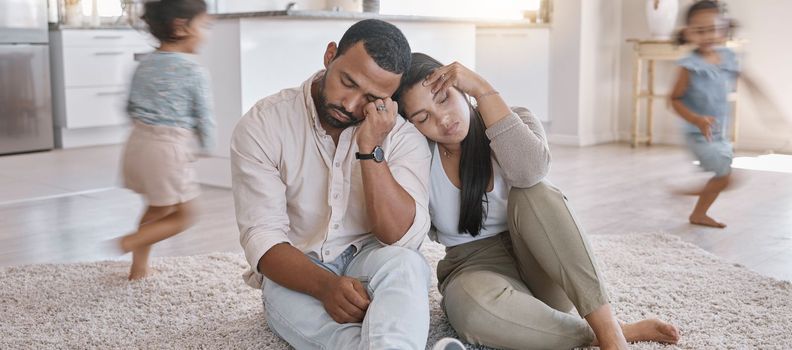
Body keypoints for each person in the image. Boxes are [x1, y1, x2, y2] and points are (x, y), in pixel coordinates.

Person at [392, 52, 681, 350]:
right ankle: (604, 333)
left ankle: (610, 334)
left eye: (444, 99)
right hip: (474, 268)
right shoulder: (417, 157)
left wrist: (481, 88)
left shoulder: (515, 120)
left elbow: (531, 172)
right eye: (423, 117)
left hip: (544, 263)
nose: (443, 119)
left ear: (462, 88)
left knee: (533, 190)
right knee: (474, 312)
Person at [231, 19, 461, 350]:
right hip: (296, 269)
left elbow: (401, 237)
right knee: (334, 331)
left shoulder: (400, 135)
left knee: (407, 265)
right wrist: (325, 286)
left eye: (371, 97)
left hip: (370, 259)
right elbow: (262, 238)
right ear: (330, 55)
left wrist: (371, 151)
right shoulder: (262, 125)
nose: (351, 105)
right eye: (347, 82)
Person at [118, 0, 215, 280]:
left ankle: (139, 267)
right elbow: (204, 116)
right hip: (167, 148)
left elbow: (129, 107)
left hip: (137, 142)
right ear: (181, 27)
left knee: (157, 208)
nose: (206, 34)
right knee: (185, 215)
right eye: (204, 26)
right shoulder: (193, 70)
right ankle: (128, 242)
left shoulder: (144, 64)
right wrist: (207, 145)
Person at [670, 0, 742, 228]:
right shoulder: (689, 65)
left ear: (723, 28)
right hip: (698, 132)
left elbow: (741, 77)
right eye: (700, 31)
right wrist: (696, 119)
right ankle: (692, 193)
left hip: (719, 132)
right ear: (688, 33)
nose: (708, 36)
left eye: (713, 29)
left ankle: (699, 214)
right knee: (726, 176)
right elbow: (673, 99)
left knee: (724, 176)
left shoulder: (727, 56)